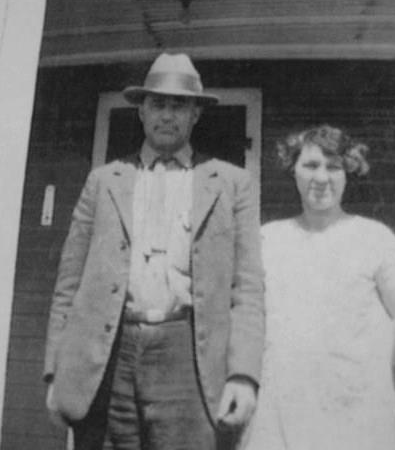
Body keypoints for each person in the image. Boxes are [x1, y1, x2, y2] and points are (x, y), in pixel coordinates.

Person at [43, 53, 265, 450]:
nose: (167, 115)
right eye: (158, 104)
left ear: (196, 114)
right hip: (108, 356)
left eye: (179, 105)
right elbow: (68, 285)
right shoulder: (103, 181)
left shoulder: (232, 184)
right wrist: (54, 371)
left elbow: (247, 289)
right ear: (141, 111)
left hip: (188, 357)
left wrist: (243, 375)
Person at [242, 124, 395, 450]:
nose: (321, 178)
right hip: (284, 404)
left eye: (333, 167)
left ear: (348, 172)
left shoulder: (374, 238)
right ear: (293, 170)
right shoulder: (269, 239)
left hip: (357, 407)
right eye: (310, 165)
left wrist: (364, 369)